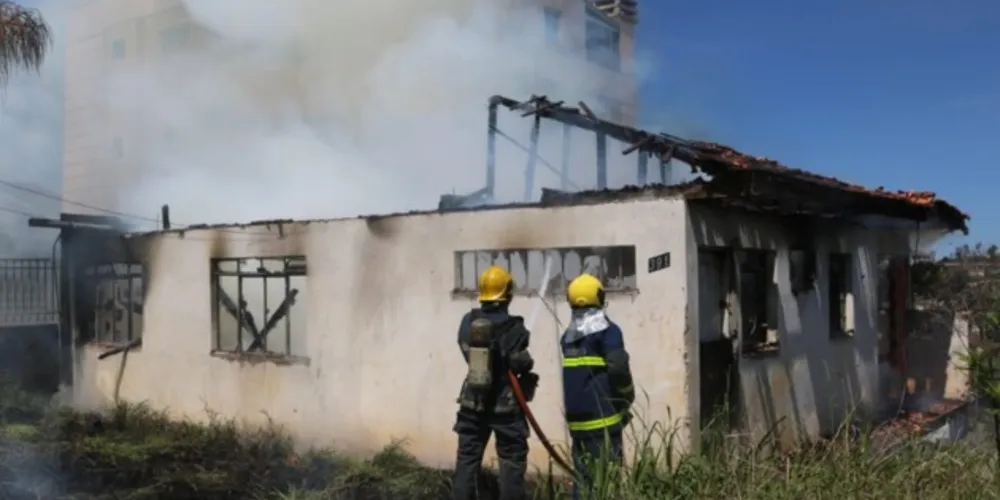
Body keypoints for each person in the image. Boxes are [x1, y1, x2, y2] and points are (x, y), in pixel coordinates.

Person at [451, 265, 538, 500]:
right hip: (506, 409)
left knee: (467, 461)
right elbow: (519, 363)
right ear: (507, 293)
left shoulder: (468, 322)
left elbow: (467, 351)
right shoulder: (516, 328)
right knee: (511, 462)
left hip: (473, 403)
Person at [560, 273, 635, 500]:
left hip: (578, 424)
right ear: (599, 297)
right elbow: (618, 367)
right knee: (606, 483)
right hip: (604, 423)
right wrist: (627, 396)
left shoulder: (568, 337)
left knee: (583, 481)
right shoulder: (609, 332)